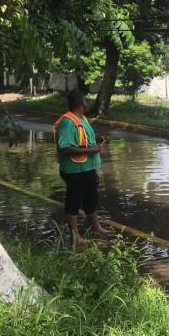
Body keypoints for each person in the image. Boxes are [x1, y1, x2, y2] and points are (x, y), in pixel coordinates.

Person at [54, 88, 113, 247]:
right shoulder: (67, 122)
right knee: (74, 201)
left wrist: (99, 139)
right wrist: (91, 149)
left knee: (91, 199)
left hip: (88, 168)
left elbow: (84, 139)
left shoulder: (82, 119)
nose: (87, 102)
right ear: (81, 102)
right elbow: (65, 148)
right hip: (74, 170)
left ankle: (97, 228)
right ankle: (76, 236)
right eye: (85, 100)